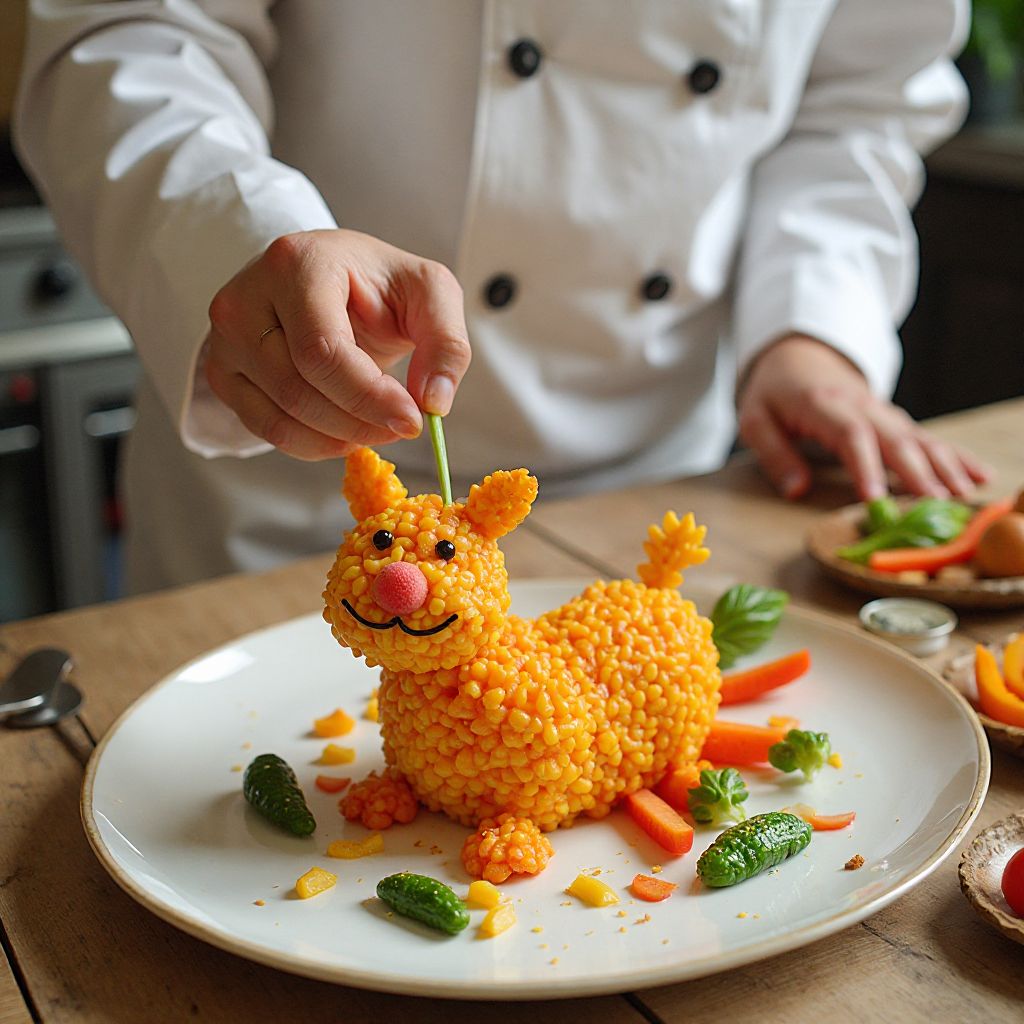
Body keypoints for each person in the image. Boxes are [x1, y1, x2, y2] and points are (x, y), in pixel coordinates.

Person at [15, 0, 988, 594]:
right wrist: (238, 233)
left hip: (655, 491)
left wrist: (811, 330)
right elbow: (136, 30)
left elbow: (857, 104)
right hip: (290, 496)